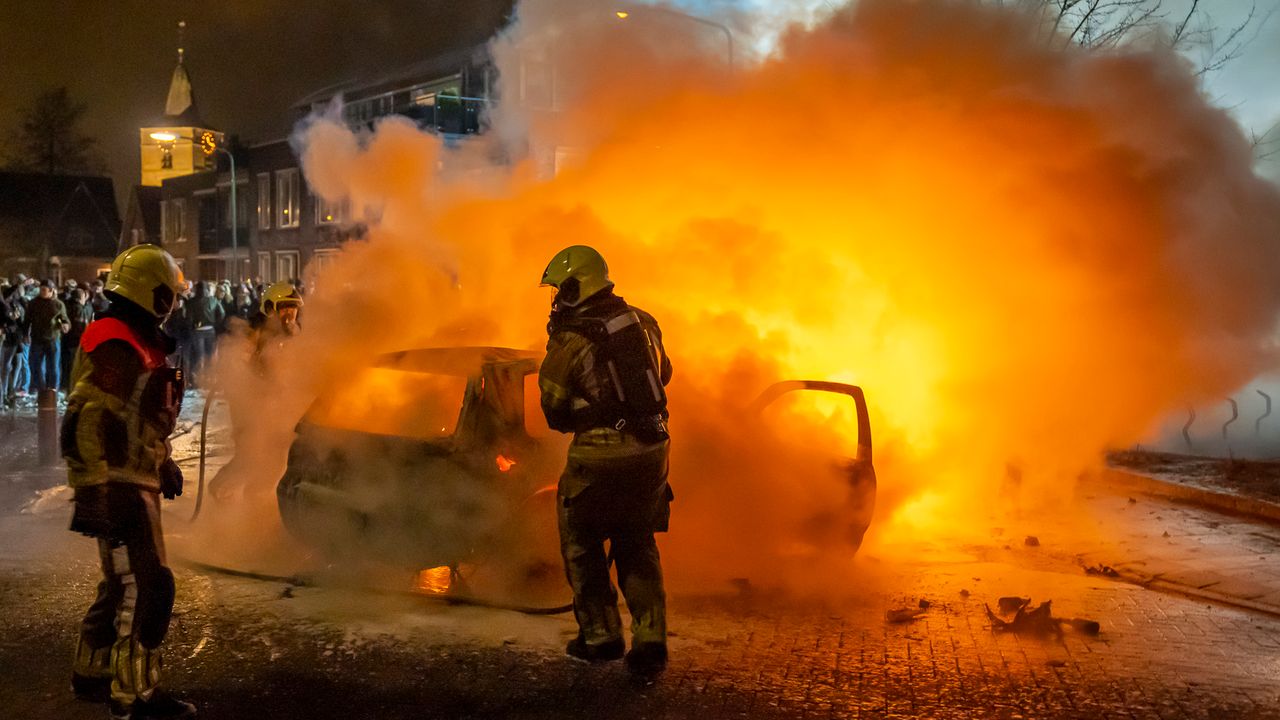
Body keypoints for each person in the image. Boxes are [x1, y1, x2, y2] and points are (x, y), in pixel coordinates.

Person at [62, 244, 196, 720]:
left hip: (124, 477)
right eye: (169, 293)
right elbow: (92, 416)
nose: (174, 302)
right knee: (151, 585)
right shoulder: (119, 341)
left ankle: (93, 670)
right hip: (118, 483)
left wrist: (161, 461)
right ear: (153, 293)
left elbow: (140, 419)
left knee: (121, 582)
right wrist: (101, 484)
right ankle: (134, 694)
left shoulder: (128, 335)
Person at [537, 245, 674, 674]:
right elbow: (664, 373)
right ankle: (651, 641)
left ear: (579, 285)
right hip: (654, 449)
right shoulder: (643, 321)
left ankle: (601, 637)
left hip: (598, 457)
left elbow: (553, 409)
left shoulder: (571, 339)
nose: (557, 299)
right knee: (637, 542)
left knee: (582, 542)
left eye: (561, 290)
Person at [26, 282, 71, 394]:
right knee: (35, 365)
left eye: (44, 290)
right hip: (37, 338)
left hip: (52, 338)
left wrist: (65, 325)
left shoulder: (58, 304)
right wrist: (25, 334)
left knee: (53, 366)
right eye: (41, 290)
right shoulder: (33, 303)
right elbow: (27, 320)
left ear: (51, 291)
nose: (42, 292)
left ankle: (52, 389)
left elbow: (64, 319)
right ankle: (41, 388)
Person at [62, 286, 96, 391]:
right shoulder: (82, 308)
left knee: (74, 365)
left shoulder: (73, 307)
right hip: (78, 341)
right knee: (77, 365)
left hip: (75, 341)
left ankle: (73, 387)